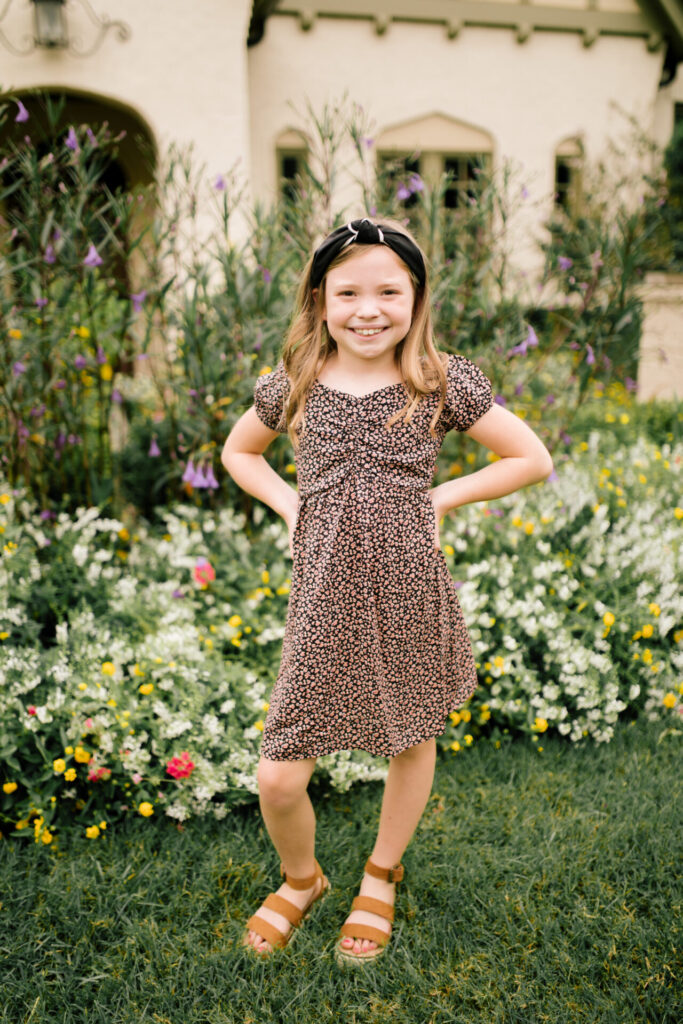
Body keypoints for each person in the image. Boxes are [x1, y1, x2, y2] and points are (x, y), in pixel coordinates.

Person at [221, 216, 553, 964]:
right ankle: (301, 879)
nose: (367, 309)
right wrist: (287, 501)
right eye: (348, 292)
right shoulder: (296, 382)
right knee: (278, 775)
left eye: (387, 291)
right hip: (322, 597)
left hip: (409, 589)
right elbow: (239, 451)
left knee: (409, 734)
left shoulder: (437, 381)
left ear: (416, 295)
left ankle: (380, 873)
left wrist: (438, 501)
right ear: (319, 299)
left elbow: (528, 458)